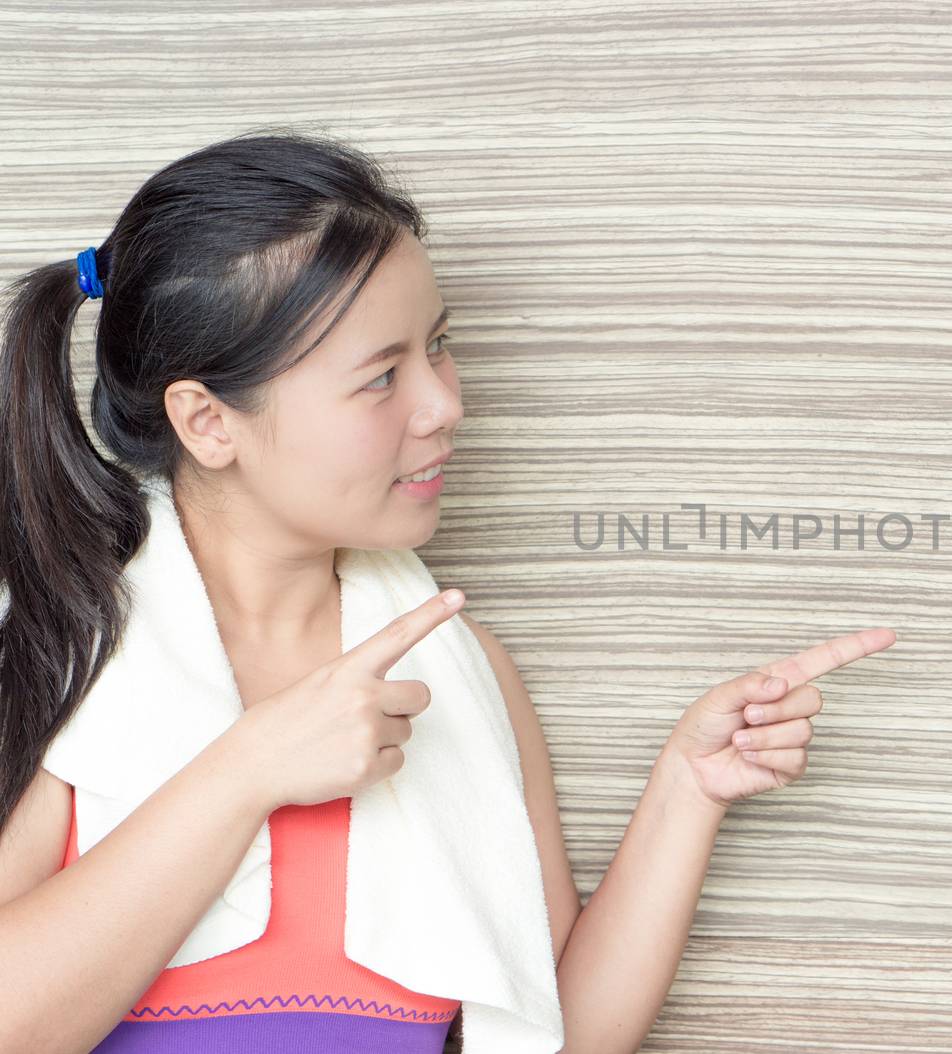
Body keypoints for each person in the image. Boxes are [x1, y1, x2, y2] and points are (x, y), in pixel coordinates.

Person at [0, 127, 895, 1054]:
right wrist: (249, 771)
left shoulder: (462, 676)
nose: (444, 404)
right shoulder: (55, 652)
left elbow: (562, 1032)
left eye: (439, 348)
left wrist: (688, 791)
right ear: (207, 421)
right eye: (383, 376)